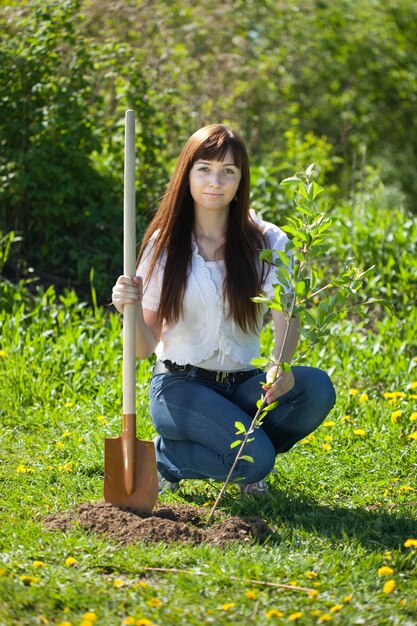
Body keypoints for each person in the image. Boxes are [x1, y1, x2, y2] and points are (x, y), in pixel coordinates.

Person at [112, 124, 335, 495]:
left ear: (240, 181)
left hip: (245, 384)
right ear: (187, 175)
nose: (215, 181)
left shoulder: (268, 240)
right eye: (204, 169)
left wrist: (281, 362)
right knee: (256, 460)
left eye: (228, 171)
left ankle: (240, 452)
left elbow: (287, 314)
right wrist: (128, 310)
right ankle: (169, 458)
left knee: (316, 389)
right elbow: (142, 347)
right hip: (181, 388)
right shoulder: (163, 244)